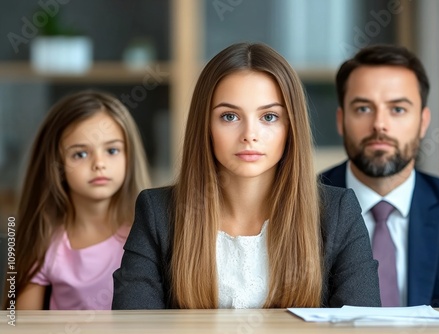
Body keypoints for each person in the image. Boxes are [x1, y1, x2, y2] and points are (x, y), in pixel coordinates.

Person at [112, 42, 381, 309]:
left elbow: (363, 325)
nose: (249, 135)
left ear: (291, 127)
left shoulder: (338, 212)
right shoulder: (157, 212)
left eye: (269, 117)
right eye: (229, 116)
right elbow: (133, 325)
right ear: (205, 125)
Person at [320, 44, 439, 307]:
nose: (380, 124)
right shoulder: (300, 206)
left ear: (423, 122)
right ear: (340, 119)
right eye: (363, 108)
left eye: (398, 109)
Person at [4, 91, 151, 310]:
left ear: (129, 156)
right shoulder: (44, 242)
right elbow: (22, 326)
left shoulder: (150, 235)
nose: (99, 163)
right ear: (55, 164)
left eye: (112, 150)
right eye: (80, 154)